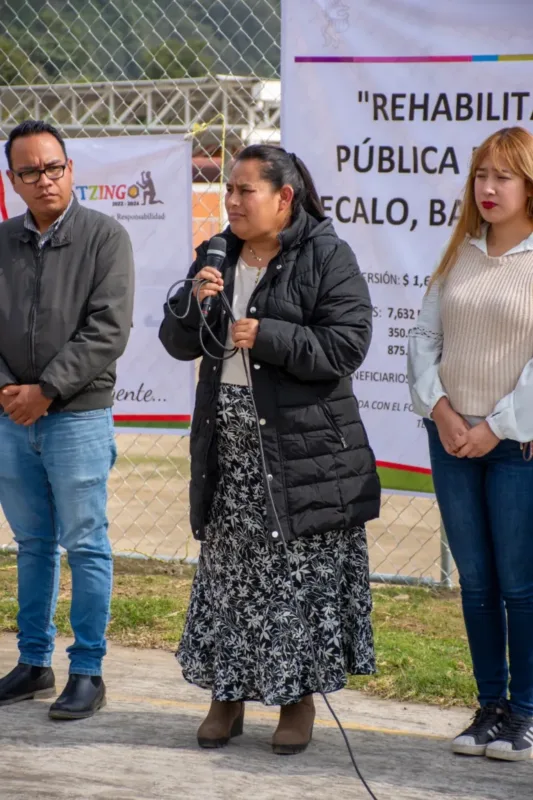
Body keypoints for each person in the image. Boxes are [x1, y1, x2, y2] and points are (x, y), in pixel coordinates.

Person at [159, 144, 380, 755]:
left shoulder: (326, 254)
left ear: (284, 198)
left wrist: (272, 337)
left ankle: (297, 700)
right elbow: (180, 342)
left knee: (294, 581)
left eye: (245, 191)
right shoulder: (217, 254)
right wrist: (192, 302)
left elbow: (347, 344)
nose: (231, 201)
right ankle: (225, 695)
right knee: (230, 577)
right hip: (227, 442)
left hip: (298, 450)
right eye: (228, 190)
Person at [0, 120, 134, 719]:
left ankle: (88, 670)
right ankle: (33, 664)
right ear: (13, 180)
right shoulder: (2, 241)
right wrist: (10, 392)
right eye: (30, 171)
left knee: (85, 544)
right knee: (32, 545)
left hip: (76, 416)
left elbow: (108, 330)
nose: (44, 180)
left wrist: (47, 391)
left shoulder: (105, 238)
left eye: (54, 168)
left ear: (71, 170)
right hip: (10, 417)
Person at [408, 126, 533, 762]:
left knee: (520, 584)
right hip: (451, 438)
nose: (487, 187)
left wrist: (495, 427)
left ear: (529, 184)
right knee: (477, 584)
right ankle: (489, 708)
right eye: (480, 175)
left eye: (502, 176)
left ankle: (527, 714)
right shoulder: (461, 251)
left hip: (516, 446)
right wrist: (442, 410)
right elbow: (423, 339)